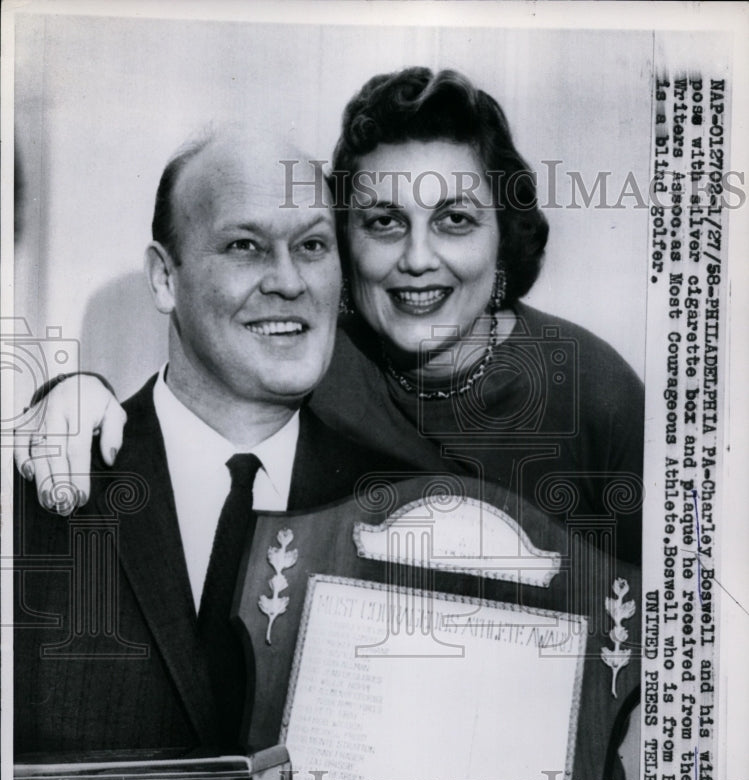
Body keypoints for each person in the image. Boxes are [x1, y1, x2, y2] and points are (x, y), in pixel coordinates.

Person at [15, 67, 643, 780]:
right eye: (243, 246)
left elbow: (586, 708)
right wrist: (67, 391)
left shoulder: (535, 432)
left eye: (309, 247)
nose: (416, 259)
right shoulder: (62, 480)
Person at [12, 125, 408, 780]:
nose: (289, 281)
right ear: (165, 277)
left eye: (311, 246)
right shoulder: (41, 492)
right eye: (243, 245)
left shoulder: (405, 514)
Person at [16, 67, 644, 568]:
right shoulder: (309, 355)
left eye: (455, 220)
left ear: (502, 236)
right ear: (344, 244)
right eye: (383, 222)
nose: (418, 260)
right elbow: (179, 401)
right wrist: (75, 391)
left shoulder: (596, 394)